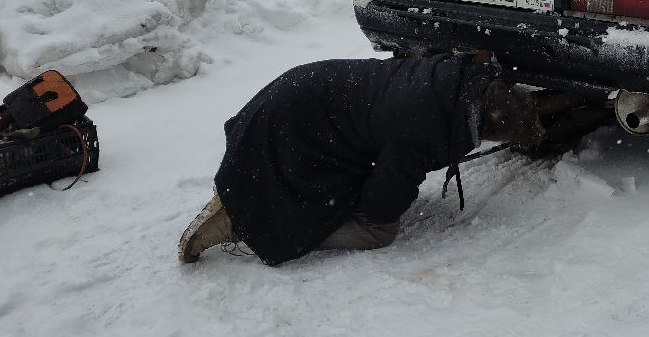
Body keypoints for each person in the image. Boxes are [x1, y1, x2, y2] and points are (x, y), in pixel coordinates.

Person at [178, 55, 534, 266]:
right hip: (295, 127)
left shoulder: (453, 80)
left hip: (292, 98)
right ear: (486, 127)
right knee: (378, 231)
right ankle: (246, 227)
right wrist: (382, 205)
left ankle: (242, 199)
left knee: (359, 167)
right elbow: (383, 197)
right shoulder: (428, 128)